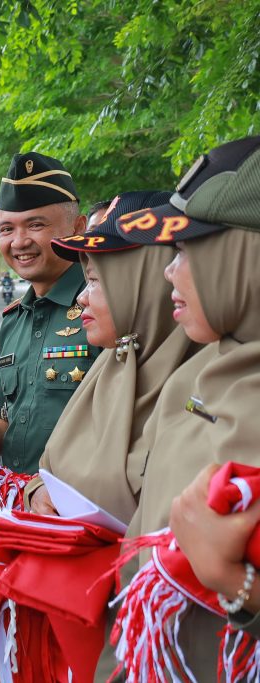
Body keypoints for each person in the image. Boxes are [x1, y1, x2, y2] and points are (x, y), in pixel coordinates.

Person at [99, 136, 260, 678]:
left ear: (245, 257)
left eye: (189, 250)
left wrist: (238, 584)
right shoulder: (198, 373)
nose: (169, 271)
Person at [18, 190, 197, 527]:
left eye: (96, 280)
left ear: (146, 285)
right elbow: (52, 466)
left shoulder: (206, 384)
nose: (82, 298)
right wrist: (40, 490)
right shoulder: (114, 364)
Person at [0, 151, 102, 475]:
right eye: (6, 229)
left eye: (36, 225)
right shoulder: (14, 320)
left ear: (78, 228)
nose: (19, 242)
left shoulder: (103, 307)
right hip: (21, 501)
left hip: (79, 502)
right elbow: (5, 430)